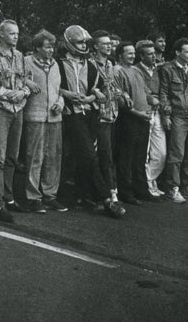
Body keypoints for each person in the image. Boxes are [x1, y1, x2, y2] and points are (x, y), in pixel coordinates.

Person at [58, 25, 125, 219]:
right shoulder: (59, 63)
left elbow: (99, 90)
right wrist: (69, 94)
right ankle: (106, 199)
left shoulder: (89, 64)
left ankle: (84, 195)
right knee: (89, 155)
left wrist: (92, 96)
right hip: (71, 114)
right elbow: (54, 87)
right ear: (69, 43)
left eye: (84, 42)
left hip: (90, 113)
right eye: (79, 42)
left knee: (85, 156)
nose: (83, 45)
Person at [0, 19, 36, 222]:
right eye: (12, 33)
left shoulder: (20, 56)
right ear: (2, 34)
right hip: (1, 109)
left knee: (12, 156)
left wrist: (22, 92)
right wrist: (10, 94)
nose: (16, 36)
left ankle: (9, 196)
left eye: (17, 33)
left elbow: (26, 80)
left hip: (18, 109)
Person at [22, 30, 66, 213]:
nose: (50, 50)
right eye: (47, 47)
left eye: (52, 47)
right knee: (35, 157)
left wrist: (60, 103)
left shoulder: (56, 64)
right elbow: (15, 79)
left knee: (54, 157)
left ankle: (50, 195)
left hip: (55, 117)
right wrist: (26, 81)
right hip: (35, 115)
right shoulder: (26, 62)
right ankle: (33, 197)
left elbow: (60, 89)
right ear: (37, 47)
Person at [159, 39, 188, 202]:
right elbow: (163, 93)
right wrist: (166, 114)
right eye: (187, 52)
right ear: (178, 53)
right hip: (179, 115)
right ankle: (173, 187)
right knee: (177, 152)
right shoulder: (167, 69)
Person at [113, 42, 154, 204]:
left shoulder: (136, 71)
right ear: (120, 55)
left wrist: (151, 105)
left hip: (143, 119)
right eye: (128, 53)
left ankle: (141, 190)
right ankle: (126, 192)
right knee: (126, 157)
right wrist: (139, 114)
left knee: (140, 157)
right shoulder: (117, 71)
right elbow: (121, 103)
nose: (132, 56)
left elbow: (146, 93)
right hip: (129, 120)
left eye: (133, 53)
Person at [90, 30, 121, 202]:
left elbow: (114, 85)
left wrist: (122, 94)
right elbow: (88, 86)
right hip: (98, 115)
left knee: (109, 154)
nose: (109, 46)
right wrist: (96, 91)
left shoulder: (110, 64)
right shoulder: (90, 64)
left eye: (110, 43)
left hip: (112, 114)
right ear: (95, 46)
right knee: (102, 155)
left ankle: (111, 190)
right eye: (105, 43)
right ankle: (106, 193)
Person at [134, 39, 166, 197]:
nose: (154, 56)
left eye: (154, 53)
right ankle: (146, 185)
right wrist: (151, 98)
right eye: (150, 54)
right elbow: (140, 90)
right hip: (144, 113)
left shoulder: (159, 70)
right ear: (141, 56)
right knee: (144, 152)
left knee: (161, 153)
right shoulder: (136, 70)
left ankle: (150, 179)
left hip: (158, 112)